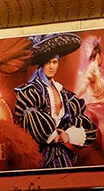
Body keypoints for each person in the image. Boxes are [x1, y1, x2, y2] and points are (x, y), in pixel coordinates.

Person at [15, 33, 98, 168]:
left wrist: (68, 135)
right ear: (41, 64)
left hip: (61, 155)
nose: (51, 66)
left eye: (54, 62)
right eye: (48, 62)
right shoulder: (30, 91)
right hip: (37, 156)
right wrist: (51, 135)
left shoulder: (65, 95)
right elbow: (28, 120)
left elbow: (85, 126)